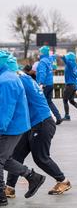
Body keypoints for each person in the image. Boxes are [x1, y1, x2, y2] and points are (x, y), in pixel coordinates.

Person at [4, 56, 71, 197]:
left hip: (42, 122)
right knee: (16, 155)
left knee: (41, 157)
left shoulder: (16, 80)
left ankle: (63, 181)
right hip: (31, 124)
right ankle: (9, 188)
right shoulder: (22, 76)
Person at [0, 51, 46, 206]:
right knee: (5, 159)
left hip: (10, 127)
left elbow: (5, 109)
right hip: (16, 125)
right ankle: (32, 177)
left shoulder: (6, 81)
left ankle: (1, 196)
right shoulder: (8, 76)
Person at [36, 46, 63, 125]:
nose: (39, 53)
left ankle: (43, 120)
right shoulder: (49, 60)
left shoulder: (42, 61)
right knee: (49, 102)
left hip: (44, 85)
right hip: (50, 83)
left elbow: (42, 72)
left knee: (41, 102)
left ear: (42, 53)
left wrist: (40, 83)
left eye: (40, 52)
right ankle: (58, 117)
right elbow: (53, 61)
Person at [59, 52, 77, 121]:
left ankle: (67, 115)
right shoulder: (75, 65)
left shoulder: (69, 64)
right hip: (75, 84)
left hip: (69, 84)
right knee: (71, 100)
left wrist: (62, 56)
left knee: (65, 100)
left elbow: (65, 60)